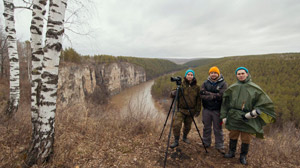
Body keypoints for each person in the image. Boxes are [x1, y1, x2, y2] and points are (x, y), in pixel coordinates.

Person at [220, 67, 276, 165]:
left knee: (246, 138)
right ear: (236, 75)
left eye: (242, 73)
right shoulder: (232, 88)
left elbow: (263, 102)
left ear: (247, 74)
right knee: (233, 135)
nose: (241, 75)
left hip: (247, 117)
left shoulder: (254, 88)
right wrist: (224, 116)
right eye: (239, 74)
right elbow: (225, 103)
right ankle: (231, 152)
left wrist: (255, 112)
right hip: (233, 116)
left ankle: (243, 156)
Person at [170, 69, 201, 148]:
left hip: (191, 110)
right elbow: (172, 94)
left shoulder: (197, 87)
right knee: (176, 124)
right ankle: (176, 140)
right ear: (186, 76)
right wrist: (174, 92)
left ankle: (184, 137)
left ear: (193, 76)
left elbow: (198, 100)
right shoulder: (181, 85)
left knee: (188, 126)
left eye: (191, 75)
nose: (190, 76)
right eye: (188, 74)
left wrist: (198, 110)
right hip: (181, 109)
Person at [200, 66, 227, 154]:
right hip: (206, 109)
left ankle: (220, 146)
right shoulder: (205, 83)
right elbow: (202, 95)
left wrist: (208, 94)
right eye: (212, 73)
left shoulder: (223, 84)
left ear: (218, 74)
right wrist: (215, 95)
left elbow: (222, 96)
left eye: (215, 73)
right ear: (209, 74)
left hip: (217, 110)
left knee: (218, 129)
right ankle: (206, 143)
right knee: (206, 127)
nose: (213, 74)